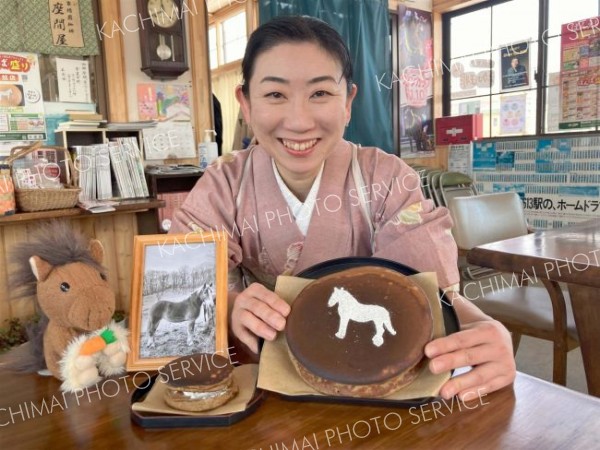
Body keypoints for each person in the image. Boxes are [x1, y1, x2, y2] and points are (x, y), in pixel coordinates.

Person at [171, 16, 515, 401]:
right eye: (274, 95)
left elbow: (430, 295)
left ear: (348, 102)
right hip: (262, 390)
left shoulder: (386, 178)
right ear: (245, 103)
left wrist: (487, 328)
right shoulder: (224, 185)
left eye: (320, 94)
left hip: (376, 387)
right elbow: (179, 289)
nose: (299, 121)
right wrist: (232, 306)